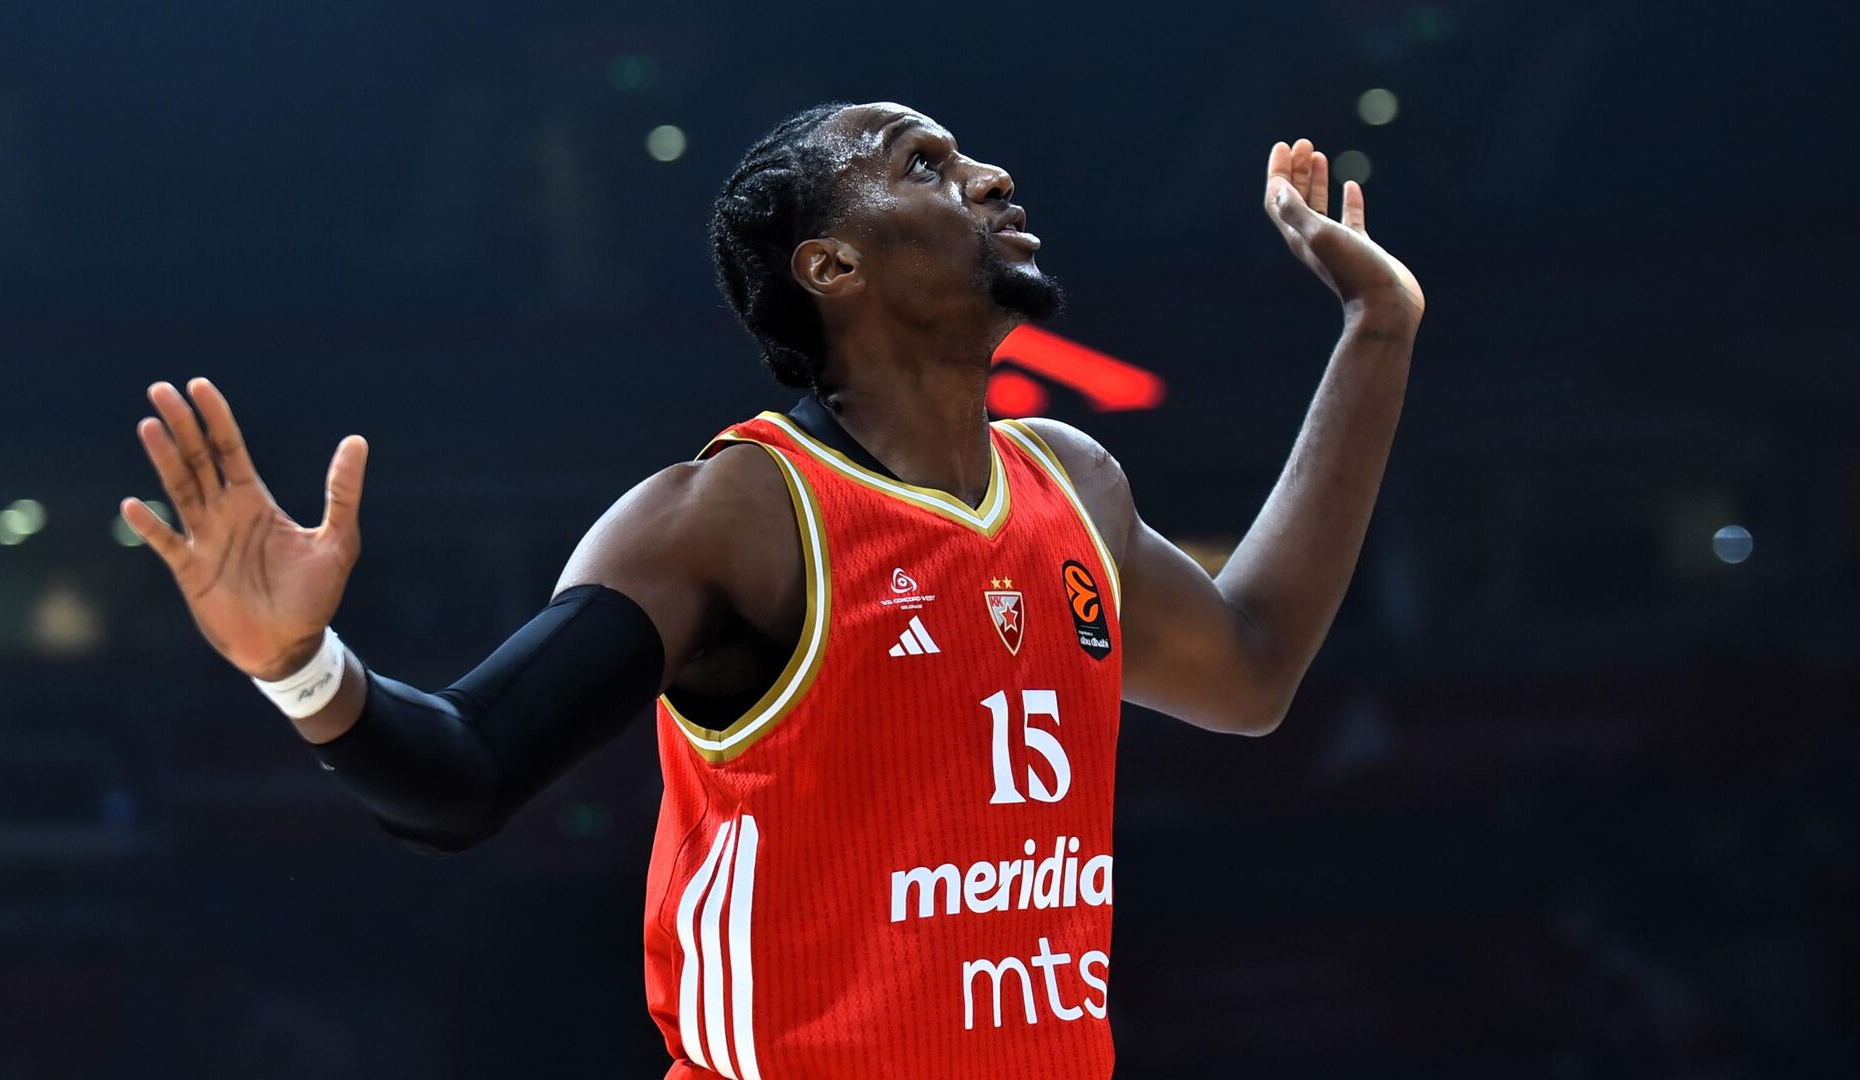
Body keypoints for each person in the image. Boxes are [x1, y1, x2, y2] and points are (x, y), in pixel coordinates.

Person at [123, 101, 1422, 1080]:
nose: (989, 177)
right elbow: (462, 775)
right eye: (924, 165)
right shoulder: (732, 518)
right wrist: (298, 663)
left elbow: (1253, 667)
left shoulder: (1074, 484)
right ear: (830, 267)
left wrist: (1377, 333)